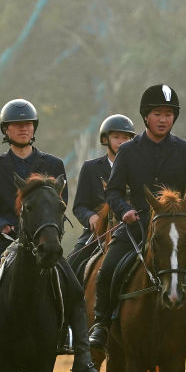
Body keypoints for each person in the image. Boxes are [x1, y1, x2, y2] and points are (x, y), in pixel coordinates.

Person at [0, 99, 110, 372]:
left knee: (75, 290)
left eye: (27, 124)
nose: (22, 129)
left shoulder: (53, 164)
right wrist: (3, 227)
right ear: (6, 130)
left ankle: (83, 361)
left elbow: (61, 206)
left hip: (43, 243)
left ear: (33, 128)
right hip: (5, 241)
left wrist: (49, 233)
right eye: (16, 125)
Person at [88, 84, 186, 356]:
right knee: (107, 269)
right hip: (136, 227)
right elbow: (113, 190)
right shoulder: (128, 151)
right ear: (146, 116)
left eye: (169, 114)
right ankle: (100, 325)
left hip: (177, 228)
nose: (163, 119)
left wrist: (183, 219)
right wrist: (124, 210)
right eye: (158, 113)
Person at [67, 113, 135, 274]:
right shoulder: (91, 168)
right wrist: (91, 217)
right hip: (98, 232)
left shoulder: (139, 169)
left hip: (132, 230)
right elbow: (79, 206)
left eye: (126, 137)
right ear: (105, 139)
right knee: (71, 265)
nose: (121, 141)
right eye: (116, 137)